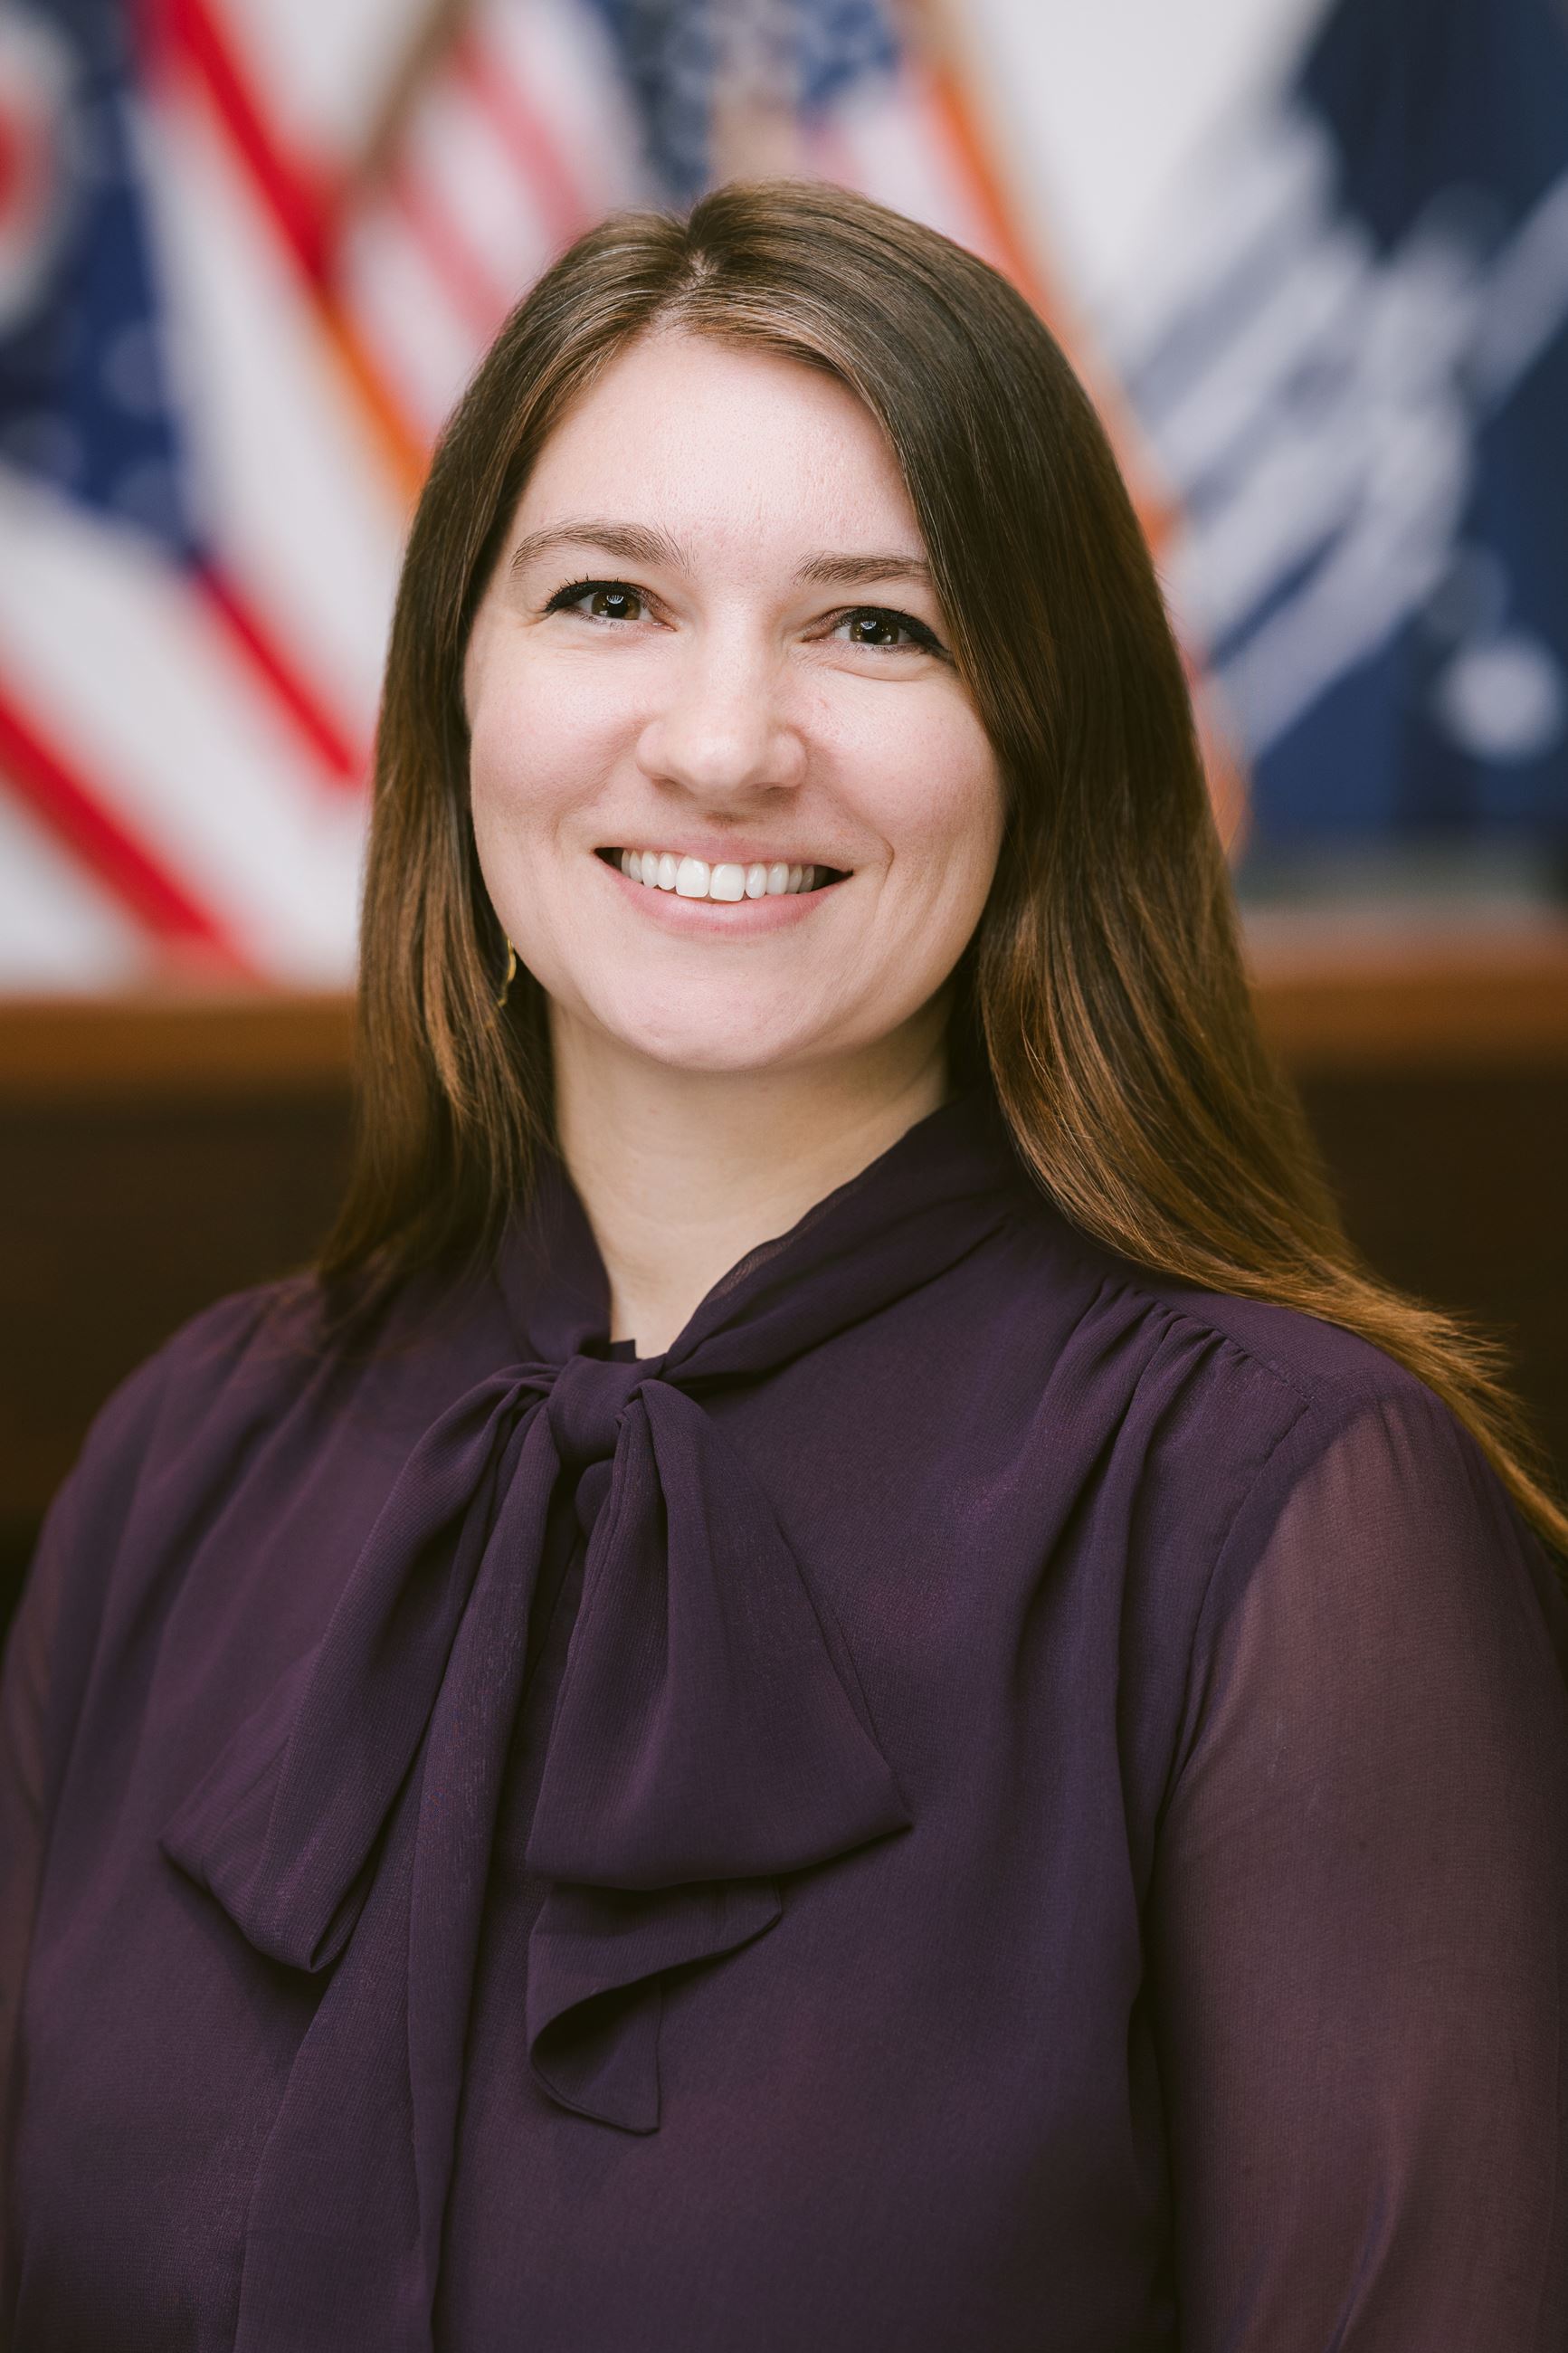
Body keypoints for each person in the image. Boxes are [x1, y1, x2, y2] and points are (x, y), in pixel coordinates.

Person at [2, 180, 1565, 2353]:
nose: (725, 742)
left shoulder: (1284, 1518)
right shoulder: (187, 1459)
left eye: (877, 627)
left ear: (1046, 741)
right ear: (463, 685)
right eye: (611, 598)